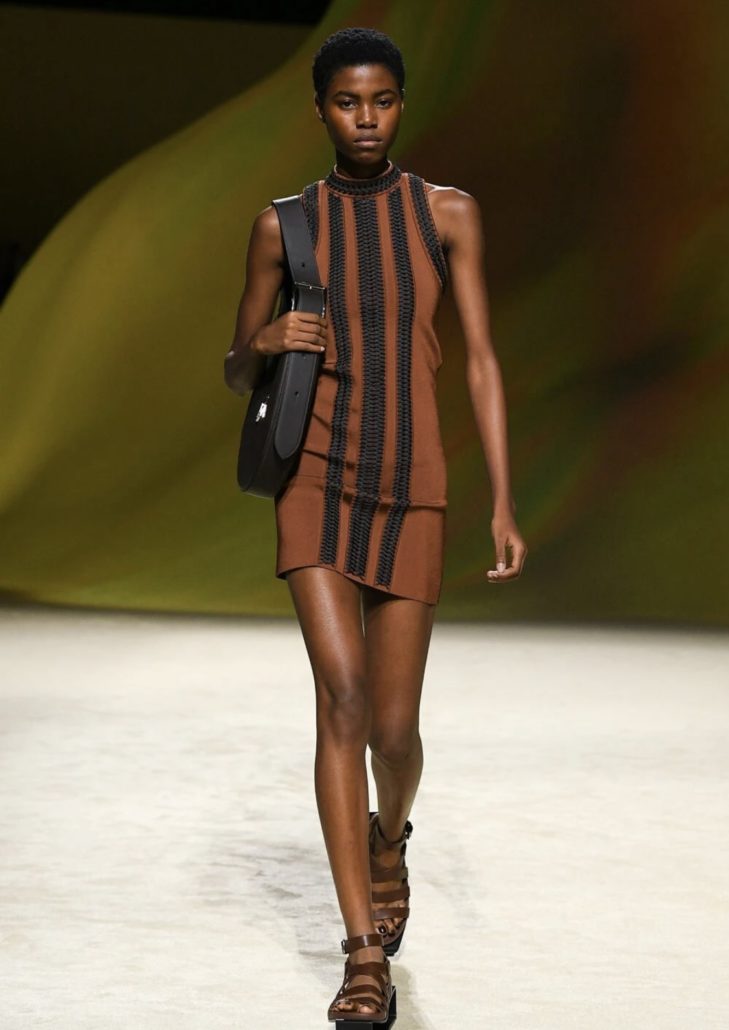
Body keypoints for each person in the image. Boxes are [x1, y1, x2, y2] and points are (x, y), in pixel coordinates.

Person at [224, 26, 527, 1026]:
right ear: (320, 108)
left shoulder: (447, 214)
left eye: (382, 100)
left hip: (411, 483)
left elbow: (479, 358)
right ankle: (361, 957)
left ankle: (388, 835)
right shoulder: (284, 226)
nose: (365, 118)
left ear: (400, 105)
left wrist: (503, 499)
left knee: (394, 733)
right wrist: (267, 337)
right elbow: (235, 363)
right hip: (315, 479)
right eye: (348, 101)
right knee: (343, 701)